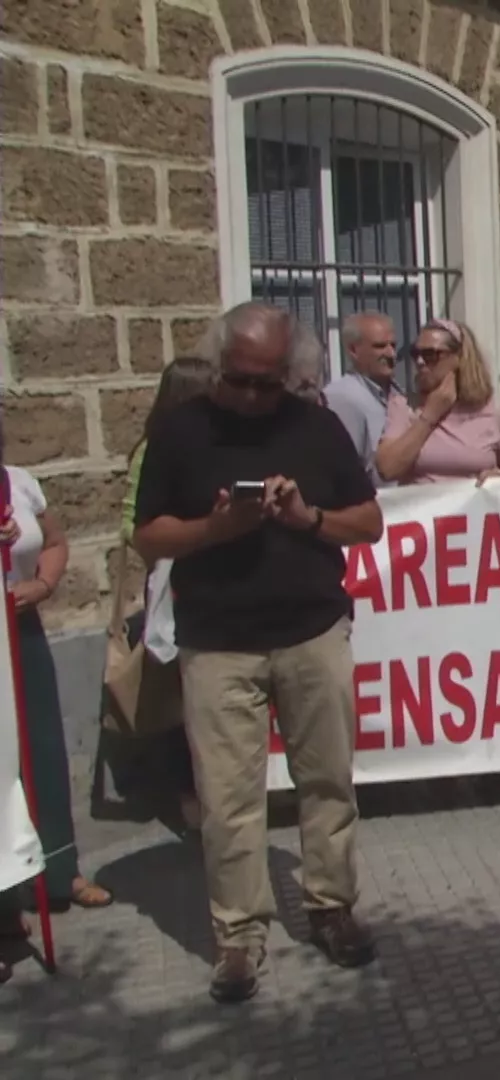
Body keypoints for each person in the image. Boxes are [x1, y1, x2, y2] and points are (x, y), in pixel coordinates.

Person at [132, 301, 385, 1003]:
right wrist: (215, 529)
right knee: (228, 799)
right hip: (217, 643)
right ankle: (239, 937)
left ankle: (332, 907)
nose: (250, 396)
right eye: (238, 380)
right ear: (218, 368)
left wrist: (309, 518)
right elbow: (148, 537)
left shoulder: (317, 426)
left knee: (327, 780)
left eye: (267, 383)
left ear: (294, 374)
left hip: (310, 631)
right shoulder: (181, 431)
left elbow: (368, 522)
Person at [0, 437, 115, 960]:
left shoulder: (19, 481)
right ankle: (5, 906)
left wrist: (43, 585)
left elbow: (53, 541)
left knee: (43, 750)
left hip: (21, 631)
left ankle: (59, 872)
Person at [119, 356, 218, 827]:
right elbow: (131, 524)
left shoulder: (212, 443)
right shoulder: (153, 451)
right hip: (171, 586)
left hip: (210, 581)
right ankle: (188, 798)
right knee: (184, 696)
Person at [375, 319, 500, 485]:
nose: (420, 362)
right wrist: (430, 415)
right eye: (415, 354)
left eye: (430, 355)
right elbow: (387, 469)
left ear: (459, 358)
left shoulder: (494, 409)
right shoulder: (403, 406)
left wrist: (499, 478)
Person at [326, 312, 400, 483]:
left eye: (393, 345)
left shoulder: (398, 395)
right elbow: (345, 472)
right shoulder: (342, 398)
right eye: (380, 346)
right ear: (353, 350)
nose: (391, 354)